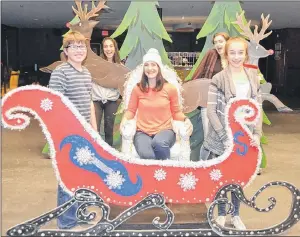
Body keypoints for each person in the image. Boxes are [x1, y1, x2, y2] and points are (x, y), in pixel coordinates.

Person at [201, 37, 262, 230]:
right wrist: (226, 138)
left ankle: (235, 215)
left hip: (245, 137)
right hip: (222, 137)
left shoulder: (253, 78)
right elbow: (211, 111)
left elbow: (257, 108)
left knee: (237, 179)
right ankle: (221, 214)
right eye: (232, 53)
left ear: (246, 54)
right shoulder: (218, 79)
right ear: (226, 55)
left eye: (240, 52)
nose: (236, 57)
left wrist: (257, 134)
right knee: (221, 178)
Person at [48, 31, 97, 229]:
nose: (79, 50)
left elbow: (90, 103)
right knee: (68, 176)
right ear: (66, 51)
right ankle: (66, 220)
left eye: (82, 46)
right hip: (68, 135)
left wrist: (93, 130)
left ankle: (80, 212)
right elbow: (54, 105)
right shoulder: (61, 72)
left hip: (85, 133)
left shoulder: (86, 73)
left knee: (84, 175)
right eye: (74, 47)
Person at [121, 48, 193, 160]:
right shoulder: (137, 88)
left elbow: (176, 112)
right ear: (143, 68)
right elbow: (131, 111)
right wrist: (124, 120)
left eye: (153, 65)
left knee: (159, 144)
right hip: (142, 132)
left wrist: (186, 120)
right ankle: (157, 173)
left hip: (165, 130)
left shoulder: (170, 88)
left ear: (159, 68)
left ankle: (166, 173)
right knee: (147, 155)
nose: (150, 68)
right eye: (147, 65)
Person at [92, 37, 122, 146]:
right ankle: (94, 150)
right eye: (105, 46)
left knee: (109, 128)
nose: (108, 49)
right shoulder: (96, 64)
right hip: (96, 100)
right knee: (94, 127)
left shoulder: (120, 67)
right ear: (102, 49)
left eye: (110, 46)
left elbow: (121, 85)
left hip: (111, 101)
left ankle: (108, 151)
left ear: (115, 48)